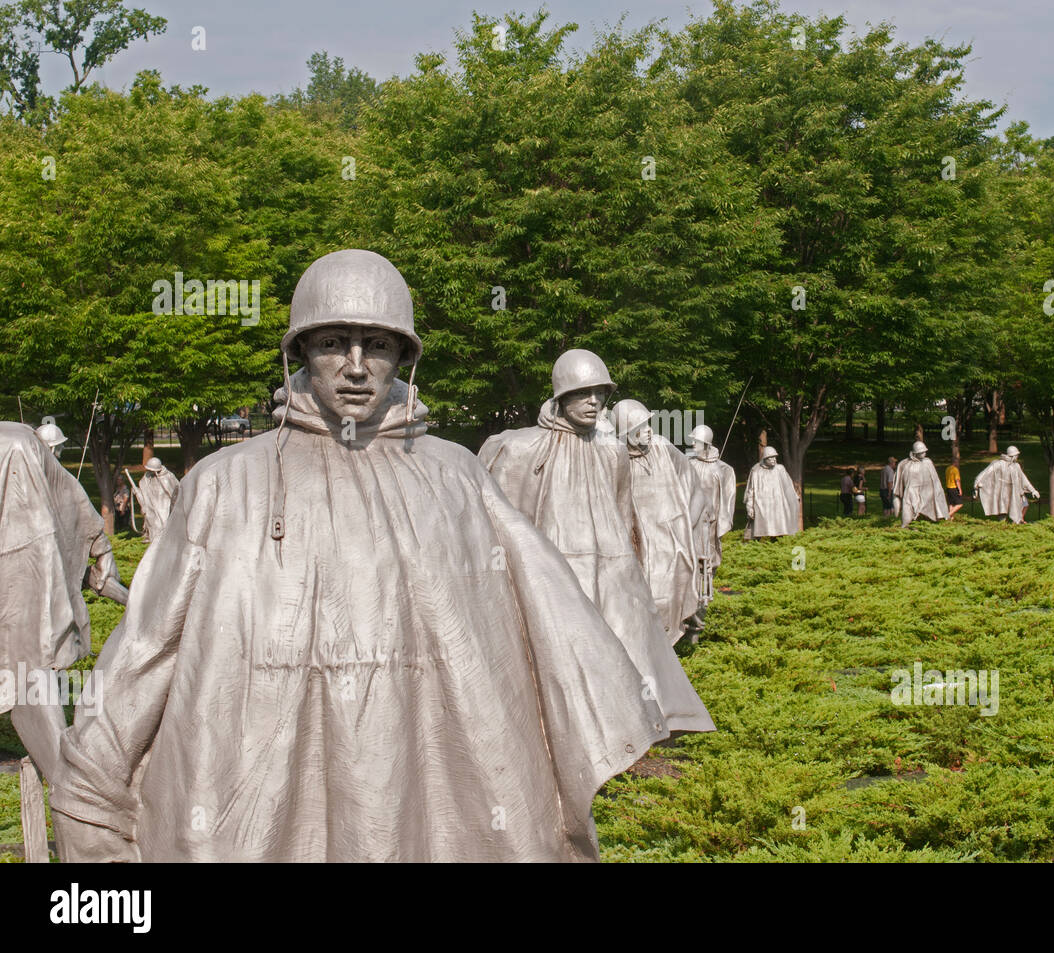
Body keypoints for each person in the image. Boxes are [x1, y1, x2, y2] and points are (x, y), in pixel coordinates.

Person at [52, 250, 671, 863]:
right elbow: (147, 648)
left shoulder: (457, 477)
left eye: (376, 345)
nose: (355, 367)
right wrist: (93, 787)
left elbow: (540, 629)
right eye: (333, 342)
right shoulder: (223, 482)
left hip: (427, 784)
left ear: (403, 356)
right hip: (259, 791)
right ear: (298, 352)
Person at [479, 348, 713, 737]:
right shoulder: (519, 448)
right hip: (554, 573)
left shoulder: (611, 452)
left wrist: (632, 571)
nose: (593, 402)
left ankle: (632, 729)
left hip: (611, 570)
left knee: (629, 650)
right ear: (561, 396)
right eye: (583, 393)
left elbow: (625, 516)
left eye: (600, 394)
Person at [0, 422, 124, 784]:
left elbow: (61, 487)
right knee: (27, 666)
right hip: (25, 555)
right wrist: (98, 543)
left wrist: (98, 544)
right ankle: (69, 791)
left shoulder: (18, 443)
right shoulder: (17, 442)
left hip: (26, 558)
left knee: (28, 665)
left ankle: (68, 791)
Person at [611, 399, 705, 645]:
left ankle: (680, 639)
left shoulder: (663, 447)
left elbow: (693, 484)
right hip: (638, 542)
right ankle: (655, 648)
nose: (650, 430)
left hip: (671, 539)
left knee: (675, 588)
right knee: (645, 594)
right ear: (629, 435)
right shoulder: (614, 458)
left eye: (648, 424)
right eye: (642, 427)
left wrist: (687, 524)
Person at [683, 424, 735, 644]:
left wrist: (721, 525)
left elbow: (728, 500)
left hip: (709, 528)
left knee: (707, 571)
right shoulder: (686, 464)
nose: (692, 444)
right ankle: (686, 615)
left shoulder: (722, 469)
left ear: (705, 443)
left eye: (695, 441)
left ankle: (699, 615)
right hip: (688, 526)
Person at [744, 446, 800, 540]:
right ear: (765, 458)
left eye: (775, 457)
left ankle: (776, 549)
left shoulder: (780, 469)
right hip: (761, 506)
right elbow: (751, 491)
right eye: (771, 457)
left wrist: (794, 497)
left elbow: (788, 486)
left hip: (777, 507)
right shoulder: (756, 471)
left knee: (778, 531)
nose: (774, 459)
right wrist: (750, 507)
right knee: (757, 532)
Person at [972, 446, 1039, 523]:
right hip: (1003, 492)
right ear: (1013, 456)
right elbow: (985, 473)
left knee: (1024, 504)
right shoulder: (998, 464)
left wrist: (1033, 490)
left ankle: (1017, 522)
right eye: (1016, 455)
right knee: (1003, 511)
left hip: (1015, 492)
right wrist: (976, 485)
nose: (1017, 457)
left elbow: (1024, 479)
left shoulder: (1016, 466)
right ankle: (1003, 527)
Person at [892, 441, 948, 528]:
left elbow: (935, 481)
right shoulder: (905, 464)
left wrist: (938, 495)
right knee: (909, 511)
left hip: (927, 495)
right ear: (915, 453)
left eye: (925, 451)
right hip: (911, 493)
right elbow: (898, 485)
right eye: (922, 452)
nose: (924, 453)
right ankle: (906, 527)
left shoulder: (928, 462)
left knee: (924, 516)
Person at [132, 456, 181, 543]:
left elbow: (177, 492)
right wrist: (137, 492)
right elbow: (144, 489)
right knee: (154, 530)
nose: (149, 472)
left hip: (166, 509)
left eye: (152, 471)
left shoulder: (168, 477)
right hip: (152, 509)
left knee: (165, 531)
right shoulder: (147, 477)